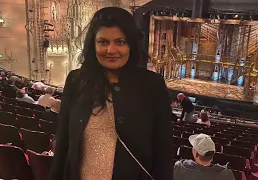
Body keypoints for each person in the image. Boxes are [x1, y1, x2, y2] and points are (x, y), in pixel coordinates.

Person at [49, 7, 173, 180]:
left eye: (120, 42)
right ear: (93, 44)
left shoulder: (152, 85)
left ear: (131, 44)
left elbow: (164, 151)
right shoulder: (76, 81)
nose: (111, 50)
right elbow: (63, 142)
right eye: (103, 42)